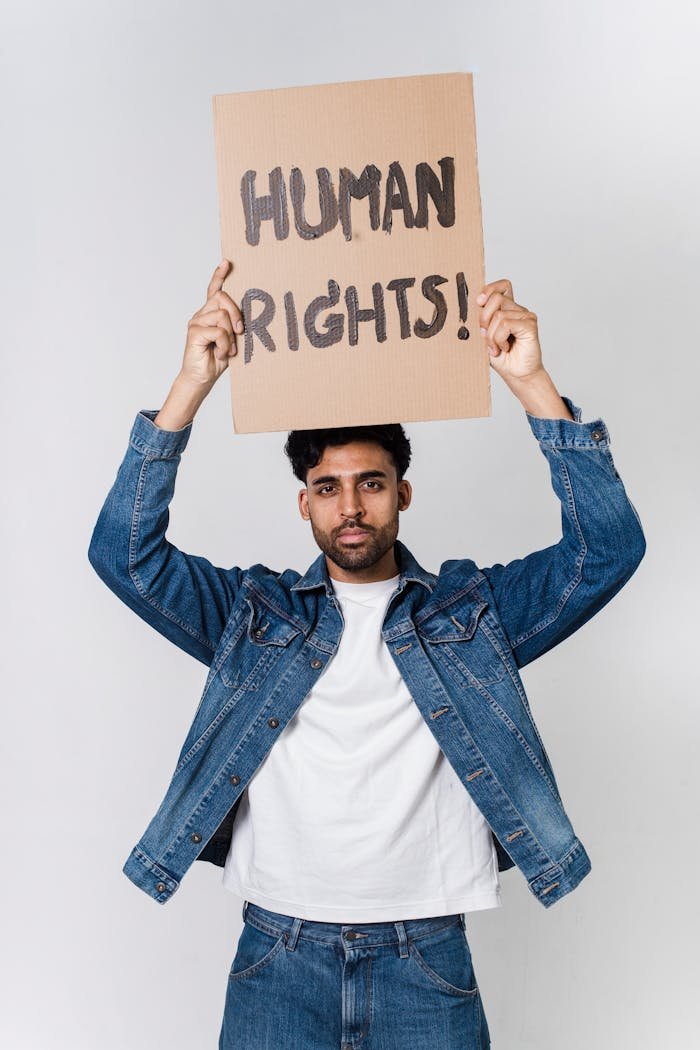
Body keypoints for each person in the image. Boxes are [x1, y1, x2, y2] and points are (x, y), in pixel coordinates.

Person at [88, 259, 646, 1049]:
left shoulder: (470, 614)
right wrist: (190, 387)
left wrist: (533, 384)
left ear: (403, 493)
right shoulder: (255, 616)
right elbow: (125, 556)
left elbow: (609, 551)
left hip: (427, 957)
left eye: (372, 484)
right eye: (328, 486)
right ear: (304, 500)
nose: (350, 508)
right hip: (278, 957)